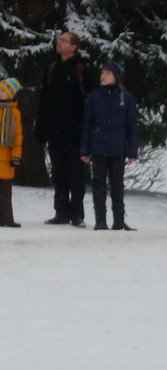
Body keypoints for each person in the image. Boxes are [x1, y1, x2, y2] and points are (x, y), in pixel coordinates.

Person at [36, 31, 94, 226]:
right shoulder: (52, 68)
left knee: (76, 173)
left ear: (74, 46)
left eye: (64, 40)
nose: (59, 43)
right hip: (55, 131)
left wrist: (87, 129)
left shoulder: (82, 69)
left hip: (76, 132)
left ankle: (77, 214)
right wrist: (41, 127)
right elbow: (44, 100)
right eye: (59, 40)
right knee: (58, 172)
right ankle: (60, 212)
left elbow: (89, 101)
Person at [80, 61, 139, 231]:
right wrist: (85, 149)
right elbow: (87, 124)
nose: (103, 76)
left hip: (118, 148)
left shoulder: (125, 98)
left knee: (117, 185)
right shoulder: (93, 97)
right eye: (102, 73)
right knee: (98, 185)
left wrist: (132, 151)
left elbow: (132, 126)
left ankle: (119, 220)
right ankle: (100, 220)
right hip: (98, 148)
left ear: (116, 76)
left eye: (108, 73)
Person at [0, 77, 23, 228]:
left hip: (7, 160)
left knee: (5, 192)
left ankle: (7, 218)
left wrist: (16, 155)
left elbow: (17, 136)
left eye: (2, 90)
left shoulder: (14, 113)